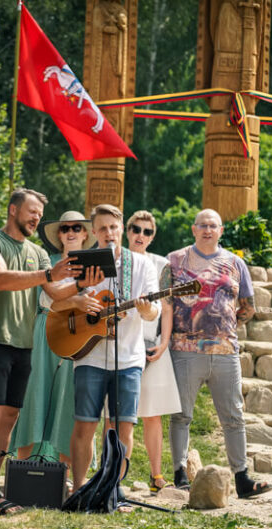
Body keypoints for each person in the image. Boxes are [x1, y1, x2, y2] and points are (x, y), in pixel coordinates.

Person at [0, 188, 93, 516]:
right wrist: (50, 274)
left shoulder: (38, 253)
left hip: (25, 344)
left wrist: (81, 285)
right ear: (13, 210)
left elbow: (53, 294)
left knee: (9, 417)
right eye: (32, 211)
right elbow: (0, 279)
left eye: (39, 213)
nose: (37, 218)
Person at [163, 209, 272, 498]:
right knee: (181, 415)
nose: (207, 230)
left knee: (233, 416)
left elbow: (248, 306)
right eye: (202, 225)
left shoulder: (236, 263)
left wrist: (225, 326)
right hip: (184, 350)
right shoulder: (174, 261)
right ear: (193, 229)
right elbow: (163, 303)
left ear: (221, 230)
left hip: (226, 352)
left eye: (213, 225)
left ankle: (242, 478)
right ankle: (179, 474)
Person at [61, 204, 160, 495]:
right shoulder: (81, 262)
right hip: (88, 355)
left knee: (122, 428)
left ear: (121, 230)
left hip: (128, 358)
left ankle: (110, 490)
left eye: (113, 227)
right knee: (84, 425)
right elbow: (57, 300)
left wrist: (146, 310)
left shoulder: (140, 265)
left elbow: (154, 311)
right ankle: (79, 489)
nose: (109, 233)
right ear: (93, 232)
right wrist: (78, 302)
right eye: (102, 228)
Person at [11, 210, 97, 464]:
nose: (70, 232)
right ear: (58, 235)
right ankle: (22, 468)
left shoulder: (94, 267)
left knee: (68, 400)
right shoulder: (46, 261)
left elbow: (96, 301)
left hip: (80, 339)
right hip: (44, 332)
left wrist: (77, 304)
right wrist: (77, 301)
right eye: (65, 228)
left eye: (76, 228)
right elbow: (47, 298)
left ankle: (66, 477)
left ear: (85, 234)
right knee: (34, 395)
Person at [125, 210, 181, 492]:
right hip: (121, 343)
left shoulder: (162, 265)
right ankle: (116, 474)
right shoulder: (118, 260)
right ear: (127, 230)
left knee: (152, 414)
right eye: (136, 229)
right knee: (118, 416)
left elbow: (167, 308)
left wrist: (164, 343)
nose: (141, 236)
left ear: (153, 236)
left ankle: (157, 476)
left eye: (147, 232)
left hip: (153, 344)